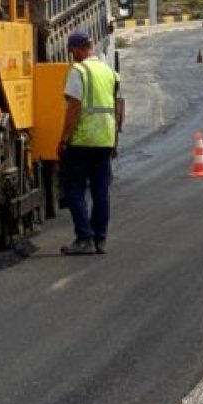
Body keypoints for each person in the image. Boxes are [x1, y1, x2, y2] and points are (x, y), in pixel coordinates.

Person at [59, 29, 122, 256]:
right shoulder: (108, 71)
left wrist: (64, 137)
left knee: (74, 189)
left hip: (83, 139)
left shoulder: (79, 70)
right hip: (105, 139)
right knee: (100, 191)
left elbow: (74, 107)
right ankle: (100, 238)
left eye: (71, 51)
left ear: (76, 49)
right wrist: (115, 136)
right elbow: (118, 105)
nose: (71, 55)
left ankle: (84, 239)